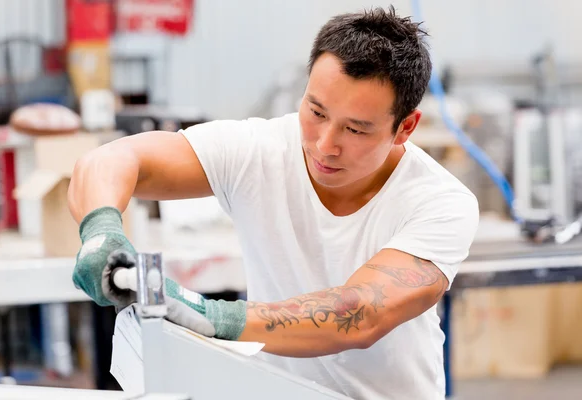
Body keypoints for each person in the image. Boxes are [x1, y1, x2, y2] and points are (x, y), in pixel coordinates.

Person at [68, 6, 479, 400]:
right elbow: (112, 160)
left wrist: (215, 317)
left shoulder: (440, 202)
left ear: (405, 127)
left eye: (355, 129)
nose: (325, 144)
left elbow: (361, 312)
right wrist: (100, 228)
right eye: (316, 111)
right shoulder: (258, 151)